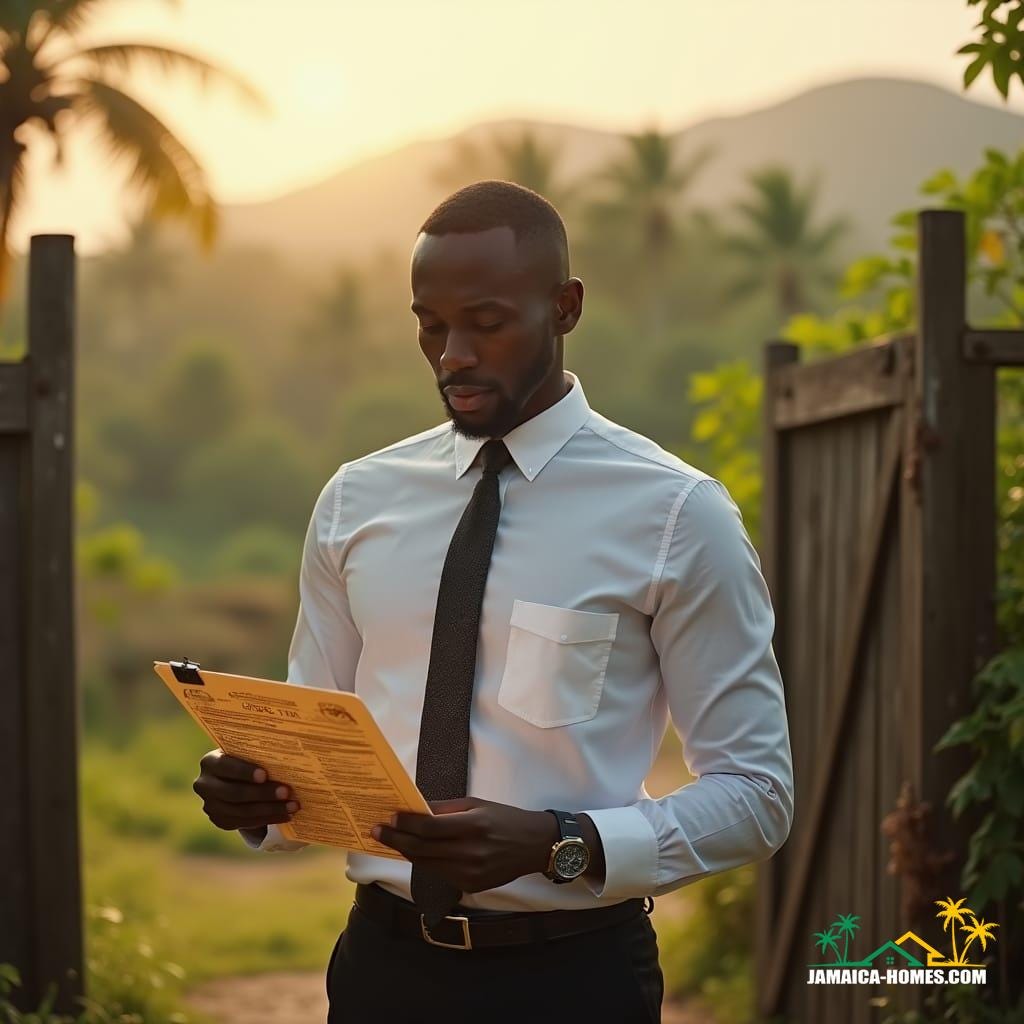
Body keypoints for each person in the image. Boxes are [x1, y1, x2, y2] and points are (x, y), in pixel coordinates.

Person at [192, 179, 794, 1024]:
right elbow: (318, 745)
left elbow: (758, 793)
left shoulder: (675, 515)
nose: (453, 357)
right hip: (380, 971)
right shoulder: (355, 502)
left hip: (575, 981)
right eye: (430, 327)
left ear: (565, 307)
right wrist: (262, 796)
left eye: (486, 322)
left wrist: (560, 842)